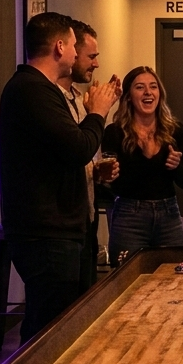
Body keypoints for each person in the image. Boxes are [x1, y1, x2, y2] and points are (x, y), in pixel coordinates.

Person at [0, 11, 119, 343]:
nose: (79, 56)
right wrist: (98, 111)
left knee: (61, 326)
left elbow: (57, 156)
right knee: (48, 334)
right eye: (75, 48)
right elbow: (78, 147)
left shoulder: (41, 89)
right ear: (60, 46)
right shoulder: (31, 89)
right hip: (45, 234)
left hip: (59, 231)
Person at [102, 66, 183, 263]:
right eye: (140, 87)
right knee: (127, 284)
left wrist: (176, 166)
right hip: (129, 217)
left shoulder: (174, 130)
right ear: (128, 97)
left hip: (168, 216)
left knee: (173, 279)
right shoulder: (114, 132)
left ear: (160, 93)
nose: (148, 92)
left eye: (153, 87)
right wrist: (108, 177)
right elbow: (111, 185)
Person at [58, 19, 118, 290]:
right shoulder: (51, 98)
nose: (96, 64)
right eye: (91, 56)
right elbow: (77, 148)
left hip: (86, 220)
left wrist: (96, 170)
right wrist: (99, 111)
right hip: (60, 229)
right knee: (57, 315)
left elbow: (77, 155)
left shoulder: (76, 97)